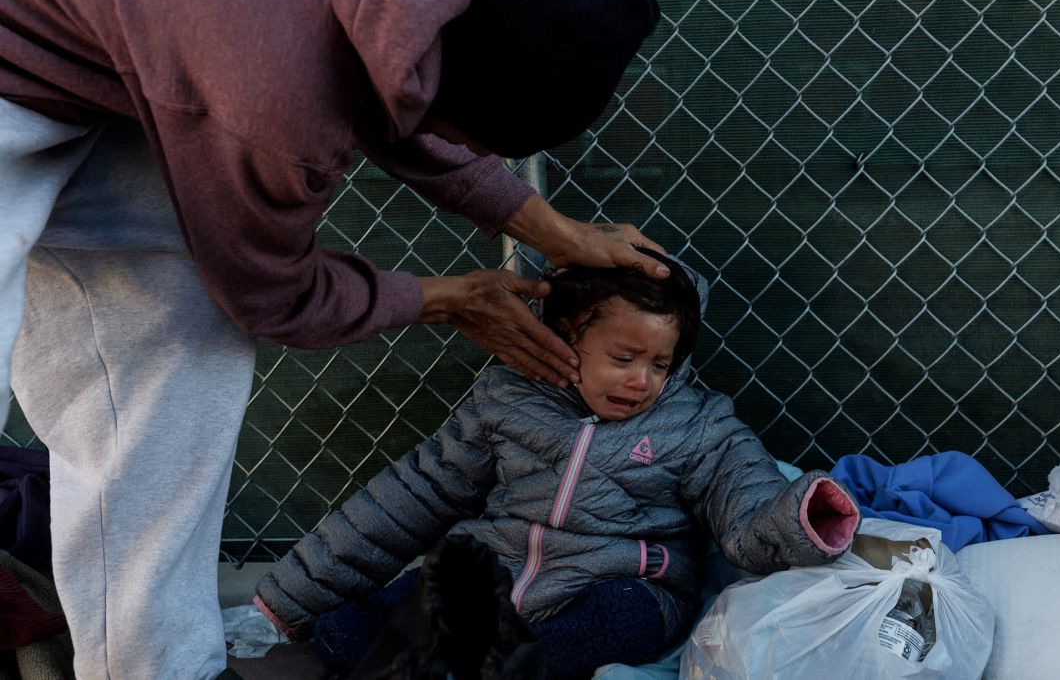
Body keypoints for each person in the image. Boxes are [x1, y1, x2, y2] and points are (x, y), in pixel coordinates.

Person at [0, 0, 669, 677]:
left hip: (127, 53)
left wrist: (547, 227)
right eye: (466, 136)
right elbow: (269, 290)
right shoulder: (272, 83)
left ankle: (160, 665)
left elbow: (404, 104)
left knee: (176, 338)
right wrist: (445, 300)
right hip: (37, 37)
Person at [255, 251, 862, 678]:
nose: (641, 379)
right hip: (497, 571)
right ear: (570, 336)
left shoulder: (697, 423)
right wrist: (286, 601)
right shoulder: (507, 399)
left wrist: (800, 516)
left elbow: (745, 497)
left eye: (660, 363)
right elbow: (415, 494)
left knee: (622, 621)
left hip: (621, 583)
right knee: (354, 625)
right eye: (624, 356)